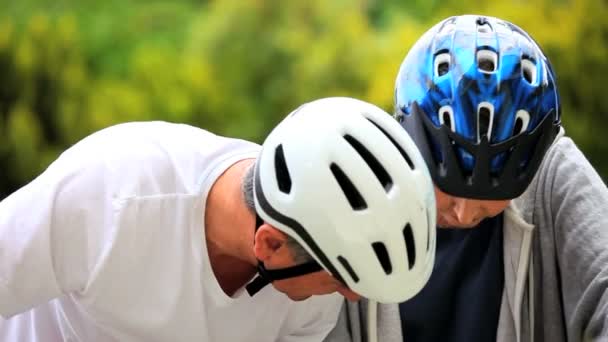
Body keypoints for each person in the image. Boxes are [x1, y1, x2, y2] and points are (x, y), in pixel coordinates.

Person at [0, 96, 437, 341]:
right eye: (341, 281)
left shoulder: (313, 285)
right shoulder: (111, 194)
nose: (352, 300)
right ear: (269, 244)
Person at [325, 15, 608, 342]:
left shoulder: (550, 173)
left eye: (488, 206)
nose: (464, 215)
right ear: (408, 144)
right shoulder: (354, 187)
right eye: (449, 191)